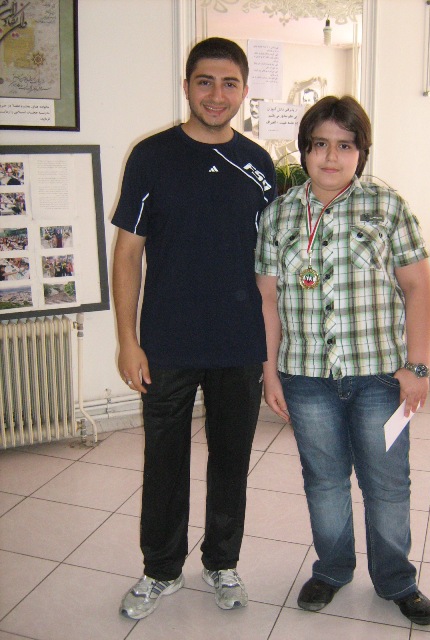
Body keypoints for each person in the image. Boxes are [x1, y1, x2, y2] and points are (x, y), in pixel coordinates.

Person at [255, 95, 430, 626]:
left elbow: (419, 290)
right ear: (304, 150)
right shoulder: (278, 214)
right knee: (324, 481)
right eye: (320, 145)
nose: (331, 157)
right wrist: (269, 373)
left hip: (380, 378)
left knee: (387, 484)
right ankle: (333, 570)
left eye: (344, 145)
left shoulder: (388, 206)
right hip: (306, 377)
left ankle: (396, 580)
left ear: (361, 151)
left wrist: (418, 367)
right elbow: (267, 300)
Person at [111, 37, 276, 621]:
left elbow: (270, 266)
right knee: (164, 461)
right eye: (205, 81)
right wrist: (128, 340)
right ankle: (161, 569)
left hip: (238, 341)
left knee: (231, 461)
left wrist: (273, 354)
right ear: (186, 86)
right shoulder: (151, 156)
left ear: (244, 91)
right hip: (167, 342)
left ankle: (222, 563)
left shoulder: (259, 164)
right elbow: (127, 253)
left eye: (229, 83)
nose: (216, 94)